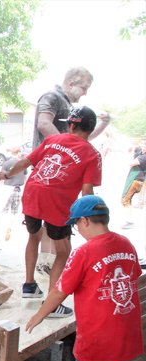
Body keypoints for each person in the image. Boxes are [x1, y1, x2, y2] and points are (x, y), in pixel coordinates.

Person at [26, 195, 143, 361]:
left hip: (97, 340)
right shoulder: (126, 243)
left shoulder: (84, 252)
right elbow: (133, 276)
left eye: (76, 224)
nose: (77, 229)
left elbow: (60, 291)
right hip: (126, 336)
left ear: (85, 221)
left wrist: (39, 315)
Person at [0, 106, 102, 317]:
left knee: (33, 237)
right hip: (57, 202)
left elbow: (26, 162)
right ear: (90, 129)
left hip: (33, 193)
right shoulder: (92, 154)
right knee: (63, 251)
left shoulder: (54, 140)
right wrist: (89, 219)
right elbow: (87, 190)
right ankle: (52, 304)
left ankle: (29, 285)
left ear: (71, 124)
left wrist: (6, 175)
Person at [32, 67, 111, 274]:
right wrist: (64, 148)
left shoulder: (68, 106)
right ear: (70, 83)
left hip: (62, 172)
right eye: (83, 87)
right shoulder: (52, 97)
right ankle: (45, 264)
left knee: (54, 221)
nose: (85, 93)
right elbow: (43, 123)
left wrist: (102, 125)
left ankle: (47, 264)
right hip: (49, 170)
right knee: (49, 220)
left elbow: (80, 142)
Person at [0, 146, 26, 242]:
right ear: (19, 152)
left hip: (7, 189)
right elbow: (25, 178)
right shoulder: (22, 163)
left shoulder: (6, 163)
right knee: (14, 211)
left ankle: (4, 227)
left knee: (4, 210)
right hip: (17, 189)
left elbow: (2, 177)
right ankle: (9, 226)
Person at [120, 138, 146, 229]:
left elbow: (130, 163)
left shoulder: (143, 157)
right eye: (142, 144)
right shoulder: (142, 154)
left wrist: (130, 154)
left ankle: (129, 221)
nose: (143, 147)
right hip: (139, 180)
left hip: (135, 180)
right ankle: (129, 219)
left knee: (125, 200)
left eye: (145, 145)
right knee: (128, 199)